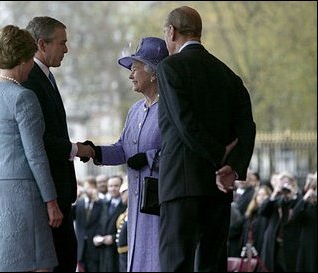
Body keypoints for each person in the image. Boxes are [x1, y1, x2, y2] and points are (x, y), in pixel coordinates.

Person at [157, 6, 256, 271]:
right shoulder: (229, 76)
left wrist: (218, 154)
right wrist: (231, 167)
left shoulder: (169, 68)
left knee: (175, 263)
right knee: (212, 264)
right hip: (219, 188)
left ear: (172, 31)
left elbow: (184, 122)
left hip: (180, 184)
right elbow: (247, 128)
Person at [0, 24, 63, 272]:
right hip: (22, 189)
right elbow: (35, 154)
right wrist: (51, 201)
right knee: (37, 263)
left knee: (4, 263)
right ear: (24, 59)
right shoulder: (23, 96)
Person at [87, 37, 168, 272]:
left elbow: (181, 150)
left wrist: (151, 157)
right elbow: (122, 149)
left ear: (153, 73)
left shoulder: (170, 107)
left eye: (135, 68)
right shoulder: (134, 111)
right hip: (135, 204)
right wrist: (93, 151)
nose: (130, 75)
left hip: (159, 201)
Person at [22, 16, 94, 272]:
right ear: (42, 44)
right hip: (48, 196)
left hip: (59, 193)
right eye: (62, 43)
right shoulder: (30, 81)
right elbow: (38, 140)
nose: (66, 49)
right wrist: (76, 149)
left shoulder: (45, 78)